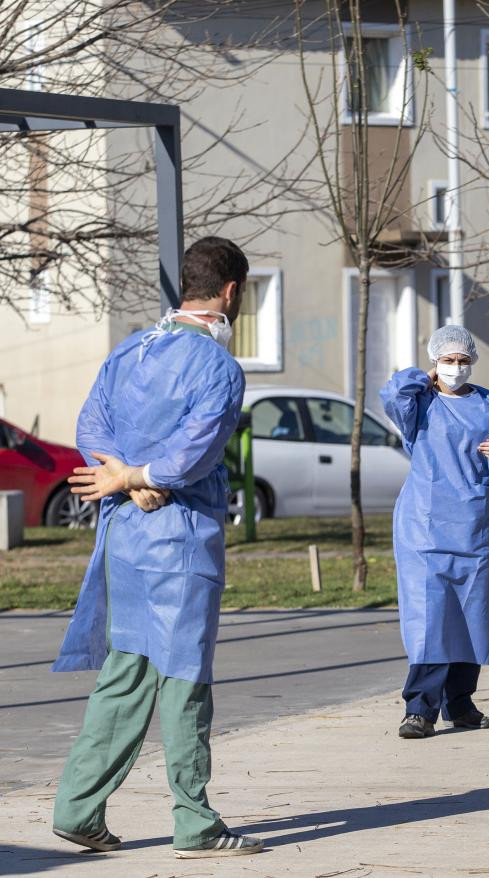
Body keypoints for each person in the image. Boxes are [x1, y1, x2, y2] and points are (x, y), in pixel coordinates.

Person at [51, 237, 263, 857]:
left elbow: (90, 424)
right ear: (230, 293)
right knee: (184, 677)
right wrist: (140, 476)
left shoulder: (128, 350)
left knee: (126, 672)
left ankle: (77, 808)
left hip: (124, 535)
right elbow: (194, 451)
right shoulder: (220, 367)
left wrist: (120, 472)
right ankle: (196, 824)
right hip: (181, 539)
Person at [381, 325, 489, 740]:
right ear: (435, 361)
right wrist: (423, 377)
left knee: (470, 617)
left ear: (473, 361)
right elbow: (391, 396)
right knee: (429, 618)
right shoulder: (420, 402)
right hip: (424, 526)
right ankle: (419, 709)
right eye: (448, 360)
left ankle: (460, 703)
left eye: (463, 361)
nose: (456, 368)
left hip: (473, 525)